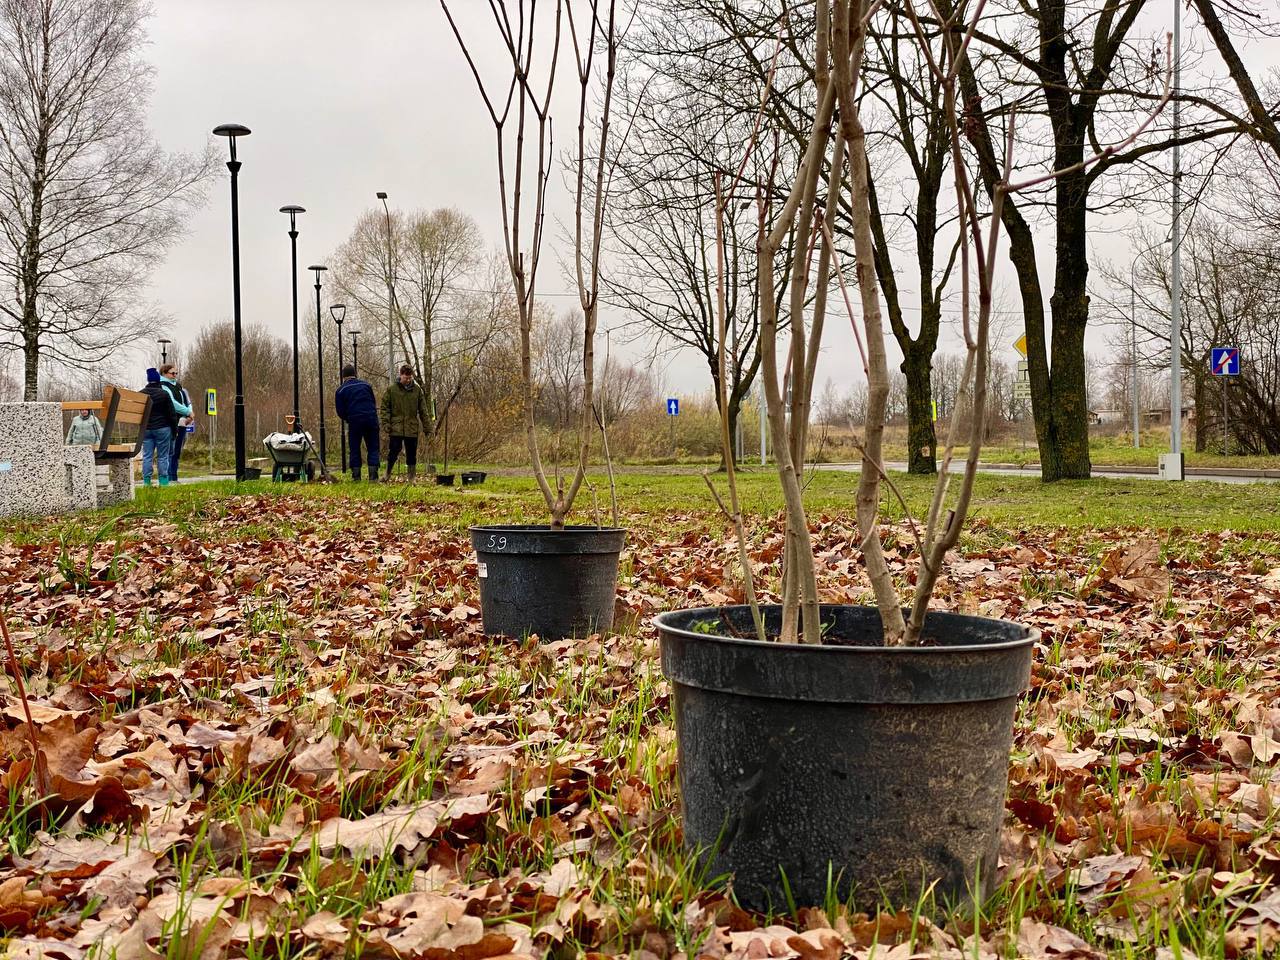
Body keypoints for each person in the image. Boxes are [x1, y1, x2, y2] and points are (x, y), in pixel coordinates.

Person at [380, 364, 431, 482]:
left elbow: (423, 411)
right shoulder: (392, 390)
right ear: (400, 375)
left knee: (411, 454)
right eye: (405, 378)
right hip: (396, 427)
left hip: (411, 428)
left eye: (410, 378)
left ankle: (411, 478)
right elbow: (384, 408)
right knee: (393, 451)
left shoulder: (417, 391)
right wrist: (386, 423)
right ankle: (387, 474)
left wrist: (428, 429)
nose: (408, 380)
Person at [334, 364, 380, 481]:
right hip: (371, 419)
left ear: (343, 376)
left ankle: (356, 477)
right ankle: (373, 477)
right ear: (355, 374)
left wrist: (348, 419)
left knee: (354, 448)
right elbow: (373, 403)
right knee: (373, 447)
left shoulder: (341, 390)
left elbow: (340, 411)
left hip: (355, 421)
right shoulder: (366, 385)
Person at [140, 367, 178, 486]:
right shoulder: (164, 394)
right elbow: (172, 414)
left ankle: (146, 482)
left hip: (146, 429)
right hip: (163, 428)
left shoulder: (141, 394)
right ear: (158, 380)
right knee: (163, 456)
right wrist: (174, 430)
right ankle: (163, 481)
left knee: (147, 456)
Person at [158, 363, 193, 482]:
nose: (175, 375)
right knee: (170, 451)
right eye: (172, 373)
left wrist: (190, 415)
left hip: (182, 421)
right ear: (164, 373)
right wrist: (188, 412)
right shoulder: (162, 386)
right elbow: (172, 403)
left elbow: (187, 402)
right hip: (170, 422)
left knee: (177, 451)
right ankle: (168, 477)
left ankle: (174, 476)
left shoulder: (178, 386)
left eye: (176, 373)